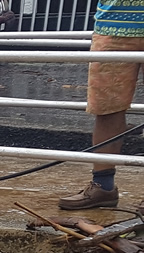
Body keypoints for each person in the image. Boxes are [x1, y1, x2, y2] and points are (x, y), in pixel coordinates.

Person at [58, 0, 144, 209]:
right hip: (113, 24)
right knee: (106, 108)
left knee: (107, 108)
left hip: (114, 23)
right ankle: (103, 186)